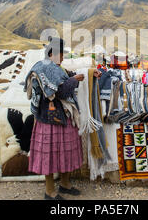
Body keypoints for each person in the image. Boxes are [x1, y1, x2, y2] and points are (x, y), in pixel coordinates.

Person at [24, 37, 101, 200]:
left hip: (63, 117)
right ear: (52, 53)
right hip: (50, 119)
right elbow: (60, 92)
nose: (63, 57)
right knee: (50, 154)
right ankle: (49, 191)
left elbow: (68, 75)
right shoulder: (45, 68)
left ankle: (65, 184)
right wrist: (74, 80)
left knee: (66, 151)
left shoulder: (55, 68)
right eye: (61, 54)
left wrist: (88, 73)